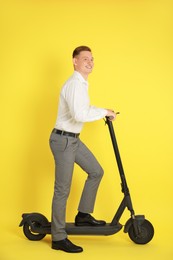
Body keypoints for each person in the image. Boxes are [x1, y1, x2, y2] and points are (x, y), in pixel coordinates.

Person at [49, 46, 116, 253]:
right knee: (62, 189)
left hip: (73, 140)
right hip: (63, 141)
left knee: (96, 171)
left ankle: (83, 215)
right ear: (75, 61)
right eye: (85, 58)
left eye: (92, 59)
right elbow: (79, 114)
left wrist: (102, 111)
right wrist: (104, 111)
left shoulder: (82, 84)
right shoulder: (74, 84)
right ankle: (58, 237)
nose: (90, 62)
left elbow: (82, 111)